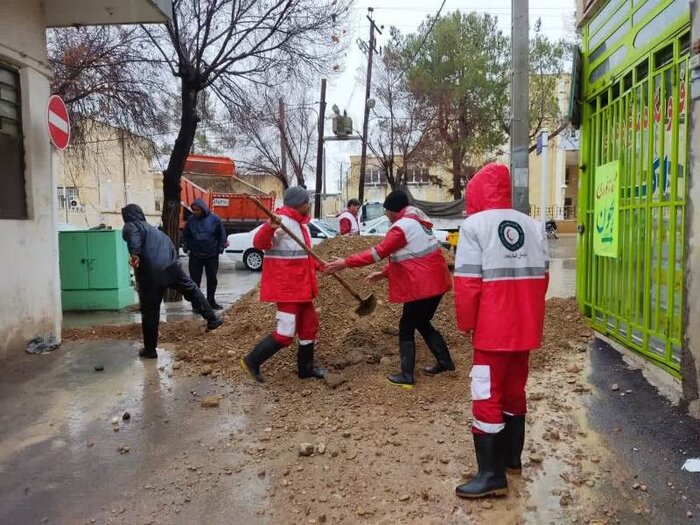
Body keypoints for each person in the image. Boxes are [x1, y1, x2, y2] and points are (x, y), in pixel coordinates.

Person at [453, 164, 548, 499]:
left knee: (485, 394)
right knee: (513, 391)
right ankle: (512, 459)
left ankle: (491, 476)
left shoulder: (474, 226)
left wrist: (466, 322)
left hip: (492, 330)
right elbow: (542, 279)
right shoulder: (533, 225)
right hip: (525, 327)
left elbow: (466, 283)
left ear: (477, 191)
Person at [324, 190, 455, 388]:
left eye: (387, 211)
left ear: (395, 211)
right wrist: (384, 273)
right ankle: (445, 363)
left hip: (422, 285)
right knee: (421, 322)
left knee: (406, 326)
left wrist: (345, 262)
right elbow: (411, 255)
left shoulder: (401, 227)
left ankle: (407, 375)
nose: (386, 215)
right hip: (436, 282)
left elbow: (377, 253)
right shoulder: (417, 221)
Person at [240, 186, 326, 383]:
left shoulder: (301, 224)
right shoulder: (281, 221)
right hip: (287, 288)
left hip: (302, 287)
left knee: (309, 326)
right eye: (306, 202)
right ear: (300, 204)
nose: (309, 205)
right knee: (285, 333)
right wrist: (269, 226)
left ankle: (305, 369)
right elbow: (260, 243)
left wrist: (323, 266)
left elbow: (304, 256)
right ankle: (251, 360)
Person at [121, 204, 223, 359]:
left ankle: (150, 349)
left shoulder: (131, 225)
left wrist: (134, 254)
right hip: (172, 267)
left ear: (127, 216)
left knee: (150, 311)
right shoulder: (157, 232)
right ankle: (213, 319)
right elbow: (171, 248)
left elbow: (134, 236)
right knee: (192, 290)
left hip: (151, 272)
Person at [182, 198, 227, 310]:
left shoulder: (215, 219)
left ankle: (211, 302)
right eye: (194, 210)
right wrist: (186, 247)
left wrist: (220, 248)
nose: (196, 212)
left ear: (203, 209)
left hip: (211, 254)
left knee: (212, 279)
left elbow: (221, 234)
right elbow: (186, 235)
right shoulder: (191, 220)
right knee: (195, 281)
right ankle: (196, 305)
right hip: (195, 255)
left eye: (197, 210)